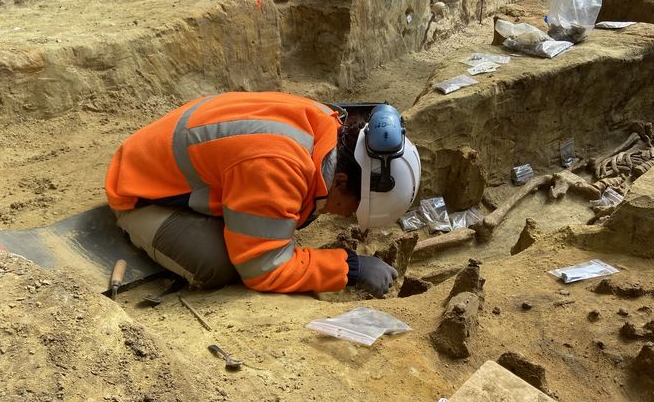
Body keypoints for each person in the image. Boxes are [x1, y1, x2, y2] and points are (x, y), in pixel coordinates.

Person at [105, 92, 421, 297]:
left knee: (262, 230)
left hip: (163, 155)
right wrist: (352, 268)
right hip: (137, 189)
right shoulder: (277, 167)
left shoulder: (325, 125)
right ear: (340, 181)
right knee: (221, 264)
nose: (345, 217)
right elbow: (264, 269)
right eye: (353, 209)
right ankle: (133, 223)